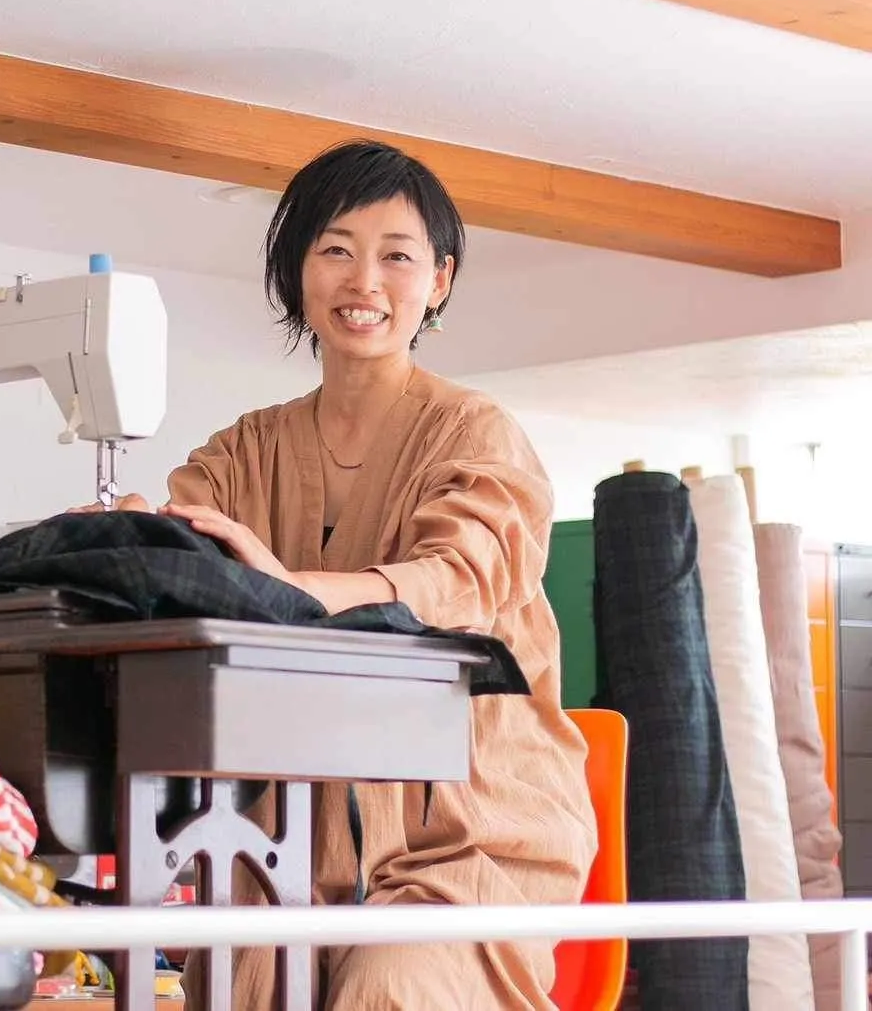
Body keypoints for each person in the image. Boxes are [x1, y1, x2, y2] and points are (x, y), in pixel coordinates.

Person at [95, 140, 597, 1008]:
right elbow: (182, 554)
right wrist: (127, 531)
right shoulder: (244, 449)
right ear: (298, 271)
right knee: (240, 986)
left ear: (438, 280)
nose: (364, 281)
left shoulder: (479, 433)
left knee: (389, 984)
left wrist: (290, 589)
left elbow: (460, 579)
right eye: (335, 249)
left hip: (467, 841)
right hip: (281, 847)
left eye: (396, 256)